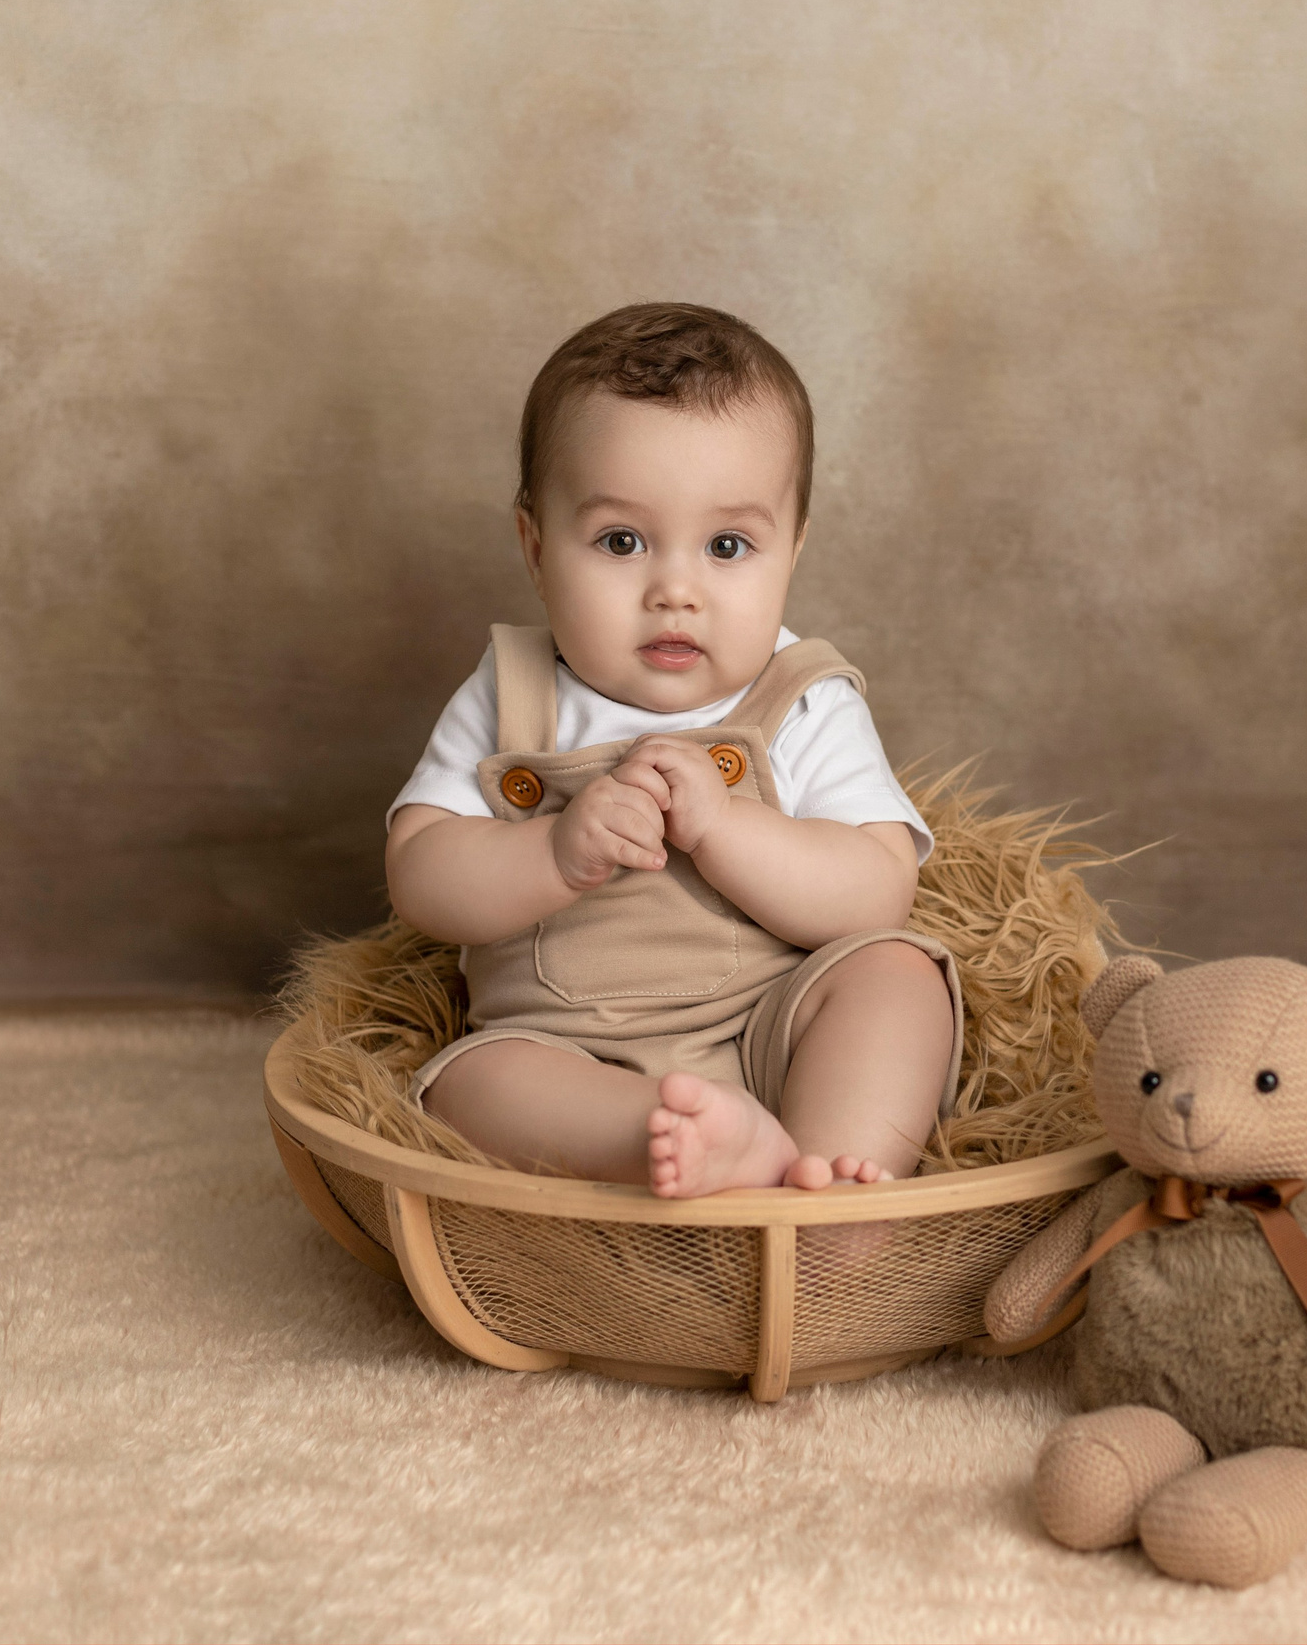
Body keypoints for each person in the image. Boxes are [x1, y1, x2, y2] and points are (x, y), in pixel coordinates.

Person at [383, 303, 960, 1198]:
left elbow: (877, 886)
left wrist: (725, 825)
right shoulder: (512, 692)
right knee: (467, 1084)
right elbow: (420, 872)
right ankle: (661, 1141)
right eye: (622, 541)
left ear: (793, 550)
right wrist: (552, 851)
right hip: (569, 1049)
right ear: (536, 548)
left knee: (899, 975)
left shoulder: (803, 698)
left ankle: (835, 1181)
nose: (676, 592)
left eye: (728, 546)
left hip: (775, 1029)